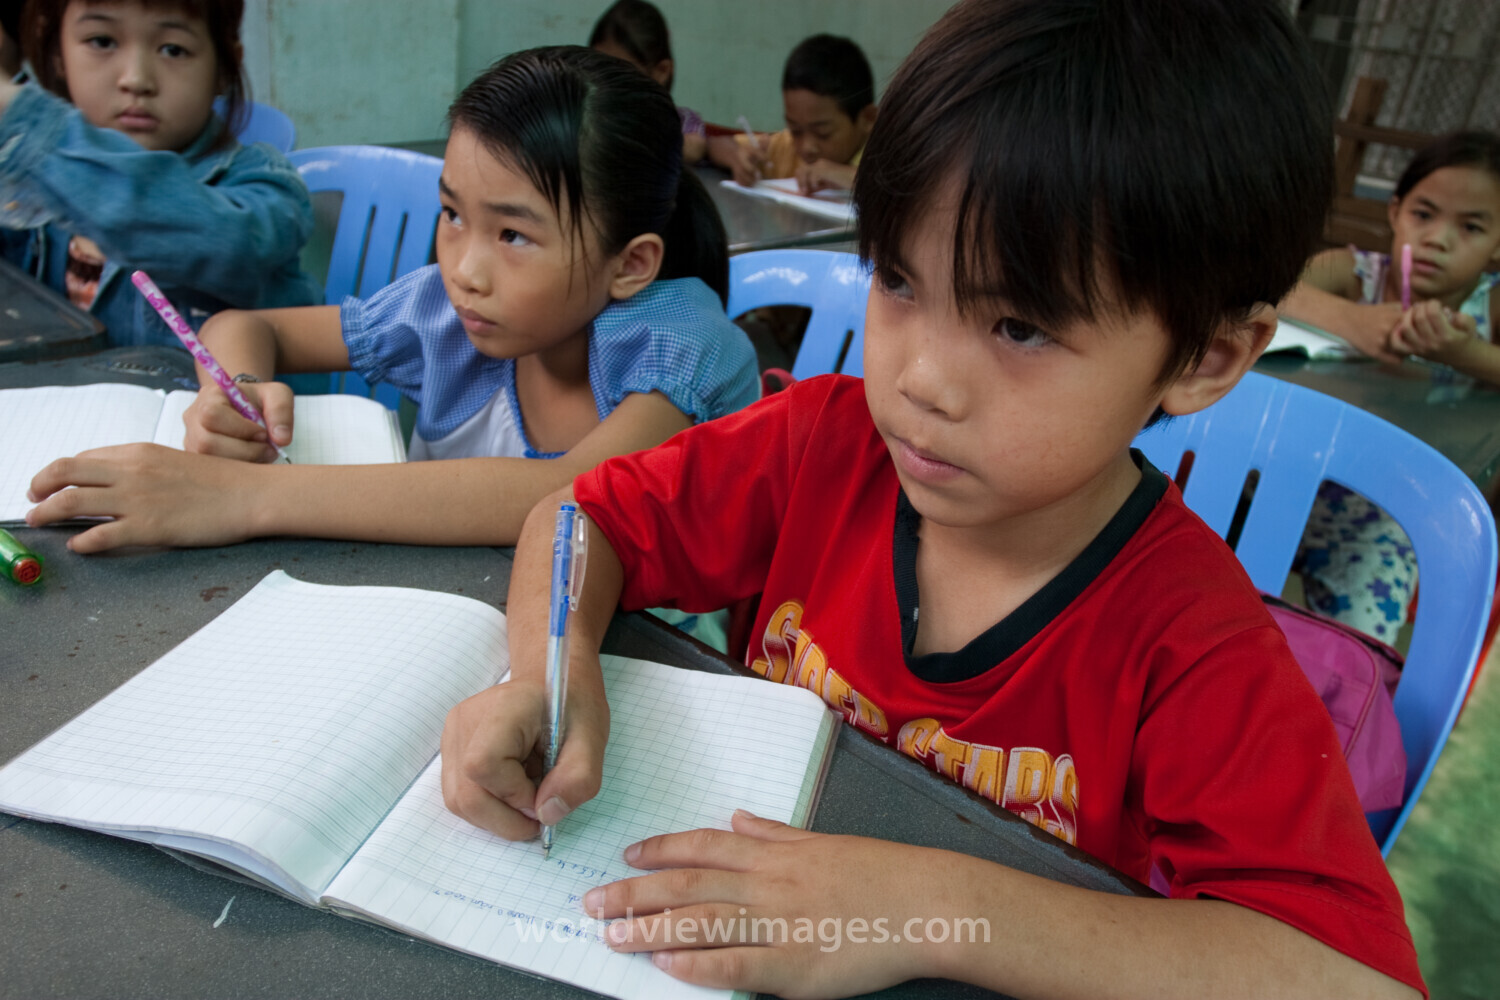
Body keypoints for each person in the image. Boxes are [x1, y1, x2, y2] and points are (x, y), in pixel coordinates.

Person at [439, 1, 1426, 997]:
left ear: (1205, 357)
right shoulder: (821, 448)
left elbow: (1356, 979)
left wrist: (927, 906)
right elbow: (581, 519)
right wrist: (548, 670)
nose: (920, 380)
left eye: (1021, 328)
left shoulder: (1186, 638)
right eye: (900, 282)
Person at [24, 46, 758, 555]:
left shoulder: (680, 341)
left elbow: (568, 494)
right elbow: (247, 326)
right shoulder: (446, 313)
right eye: (453, 214)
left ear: (631, 264)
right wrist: (235, 391)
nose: (464, 269)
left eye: (513, 234)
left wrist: (239, 496)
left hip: (648, 656)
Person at [1282, 131, 1500, 639]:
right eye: (1423, 214)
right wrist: (1352, 320)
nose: (1438, 239)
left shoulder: (1490, 307)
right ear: (1395, 212)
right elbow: (1269, 289)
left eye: (1470, 226)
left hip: (1386, 515)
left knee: (1361, 641)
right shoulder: (1355, 274)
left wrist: (1462, 354)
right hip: (1279, 477)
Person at [0, 0, 317, 347]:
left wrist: (27, 122)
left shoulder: (265, 190)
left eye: (173, 49)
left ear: (224, 68)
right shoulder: (31, 178)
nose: (136, 79)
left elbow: (227, 248)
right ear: (58, 55)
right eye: (102, 42)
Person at [708, 33, 876, 194]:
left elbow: (891, 186)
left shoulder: (883, 158)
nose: (806, 147)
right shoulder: (787, 150)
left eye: (822, 133)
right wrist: (737, 158)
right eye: (796, 130)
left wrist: (858, 180)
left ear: (868, 118)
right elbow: (716, 144)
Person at [588, 0, 705, 165]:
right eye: (598, 68)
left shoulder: (684, 123)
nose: (607, 83)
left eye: (623, 74)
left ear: (662, 71)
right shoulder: (584, 119)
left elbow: (694, 148)